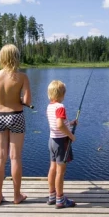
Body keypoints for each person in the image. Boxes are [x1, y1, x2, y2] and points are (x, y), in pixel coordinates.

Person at [0, 44, 32, 206]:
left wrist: (3, 100)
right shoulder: (22, 77)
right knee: (15, 157)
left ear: (2, 58)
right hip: (16, 116)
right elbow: (27, 101)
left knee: (0, 156)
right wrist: (18, 100)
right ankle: (16, 195)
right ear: (16, 57)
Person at [46, 80, 78, 209]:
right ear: (62, 95)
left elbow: (57, 123)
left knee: (52, 168)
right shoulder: (60, 107)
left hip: (52, 141)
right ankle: (60, 199)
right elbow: (59, 125)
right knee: (60, 172)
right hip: (61, 143)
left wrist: (70, 123)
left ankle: (52, 196)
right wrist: (71, 136)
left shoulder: (50, 106)